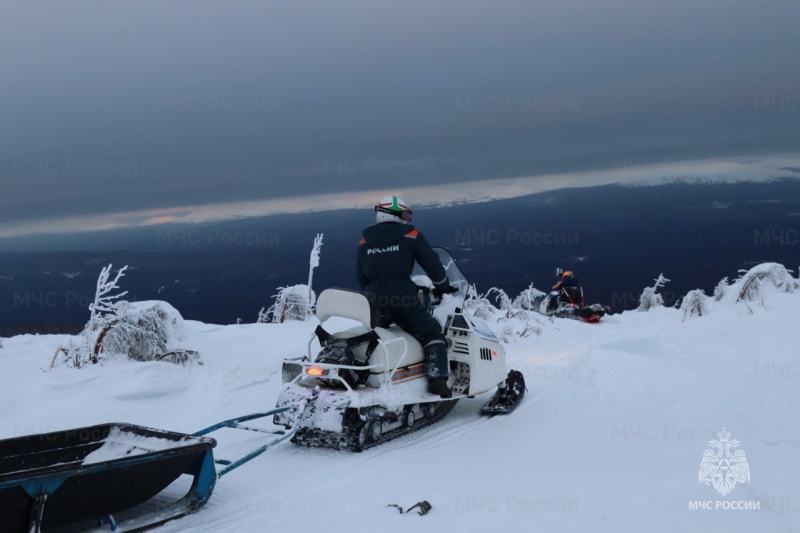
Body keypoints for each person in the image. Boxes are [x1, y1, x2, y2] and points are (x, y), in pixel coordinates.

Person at [356, 196, 457, 398]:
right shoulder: (411, 235)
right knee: (430, 332)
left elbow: (361, 274)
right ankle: (438, 380)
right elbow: (432, 265)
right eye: (405, 214)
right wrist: (443, 287)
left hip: (373, 297)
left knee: (376, 334)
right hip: (402, 296)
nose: (407, 219)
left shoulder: (364, 240)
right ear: (394, 214)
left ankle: (367, 370)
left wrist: (373, 291)